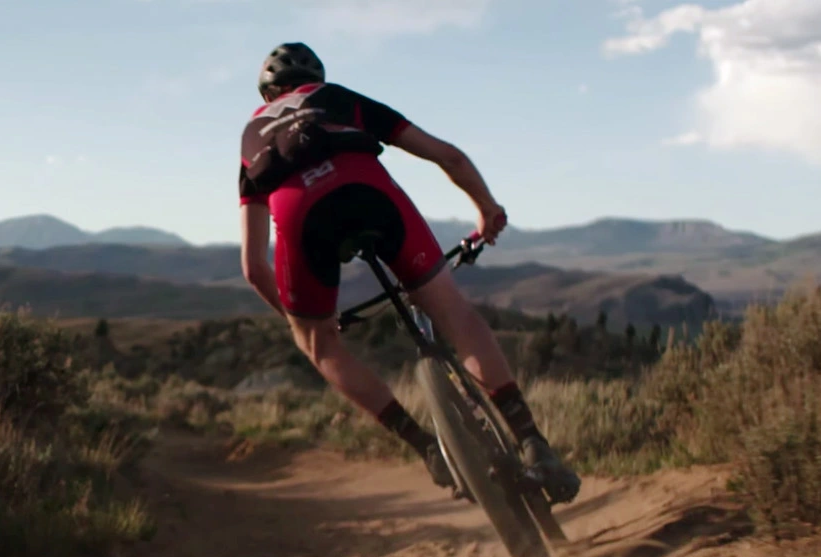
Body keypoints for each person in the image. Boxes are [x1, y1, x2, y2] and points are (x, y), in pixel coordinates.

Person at [237, 42, 582, 504]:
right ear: (314, 79)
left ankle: (428, 448)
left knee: (319, 347)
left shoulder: (251, 136)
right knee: (454, 314)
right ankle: (533, 444)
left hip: (303, 220)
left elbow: (253, 267)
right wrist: (487, 210)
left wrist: (307, 321)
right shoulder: (336, 97)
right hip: (370, 195)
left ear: (267, 95)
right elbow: (448, 156)